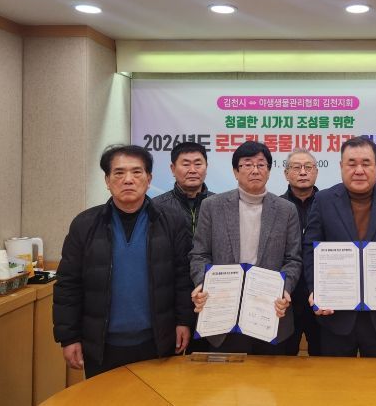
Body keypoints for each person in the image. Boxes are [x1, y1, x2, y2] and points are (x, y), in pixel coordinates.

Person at [53, 145, 193, 378]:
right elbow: (68, 284)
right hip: (101, 345)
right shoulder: (84, 224)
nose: (128, 179)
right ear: (107, 180)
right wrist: (69, 337)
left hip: (159, 342)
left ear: (149, 179)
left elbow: (183, 278)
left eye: (137, 172)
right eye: (119, 173)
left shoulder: (173, 221)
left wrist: (184, 321)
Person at [302, 136, 376, 357]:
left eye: (366, 163)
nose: (359, 170)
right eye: (351, 163)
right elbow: (310, 247)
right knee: (334, 378)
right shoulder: (324, 200)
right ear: (341, 166)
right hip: (335, 315)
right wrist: (315, 289)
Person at [189, 141, 302, 354]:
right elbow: (200, 254)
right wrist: (204, 284)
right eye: (247, 164)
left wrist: (284, 289)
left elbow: (293, 259)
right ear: (235, 171)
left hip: (270, 313)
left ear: (269, 171)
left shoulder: (286, 210)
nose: (255, 170)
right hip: (223, 313)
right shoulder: (212, 206)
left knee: (272, 374)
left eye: (261, 164)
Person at [280, 148, 321, 356]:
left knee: (324, 360)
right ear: (286, 173)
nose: (303, 172)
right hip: (286, 299)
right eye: (296, 167)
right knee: (282, 362)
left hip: (322, 297)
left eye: (308, 167)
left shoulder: (330, 204)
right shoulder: (276, 207)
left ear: (316, 172)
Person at [153, 141, 214, 233]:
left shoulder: (219, 204)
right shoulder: (157, 207)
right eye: (186, 164)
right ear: (173, 169)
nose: (192, 170)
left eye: (198, 164)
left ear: (206, 167)